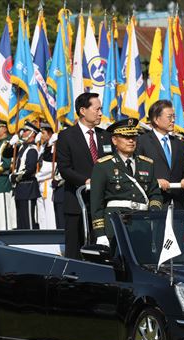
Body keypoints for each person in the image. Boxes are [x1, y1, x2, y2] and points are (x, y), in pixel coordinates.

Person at [90, 119, 163, 247]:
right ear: (114, 140)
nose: (131, 140)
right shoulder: (103, 166)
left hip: (142, 225)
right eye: (126, 137)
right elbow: (96, 203)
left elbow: (155, 194)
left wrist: (153, 212)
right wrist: (100, 233)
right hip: (115, 224)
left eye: (133, 137)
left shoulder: (147, 164)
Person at [57, 92, 112, 258]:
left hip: (102, 205)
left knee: (101, 250)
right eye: (97, 109)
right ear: (82, 110)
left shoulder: (105, 136)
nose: (100, 113)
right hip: (77, 202)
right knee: (75, 250)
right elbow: (65, 169)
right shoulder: (66, 136)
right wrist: (87, 181)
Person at [136, 100, 184, 209]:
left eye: (174, 116)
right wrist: (155, 181)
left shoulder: (179, 143)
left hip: (177, 202)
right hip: (154, 201)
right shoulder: (142, 142)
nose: (173, 120)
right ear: (156, 119)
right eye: (169, 117)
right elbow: (136, 169)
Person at [11, 123, 41, 229]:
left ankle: (31, 242)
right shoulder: (22, 148)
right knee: (21, 219)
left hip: (28, 188)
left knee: (28, 220)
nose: (23, 133)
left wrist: (17, 177)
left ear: (33, 134)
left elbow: (30, 169)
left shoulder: (32, 149)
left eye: (26, 131)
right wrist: (10, 145)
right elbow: (8, 155)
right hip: (20, 189)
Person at [35, 123, 57, 230]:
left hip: (48, 183)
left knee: (49, 210)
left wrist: (38, 176)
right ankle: (43, 230)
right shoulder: (44, 146)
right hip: (41, 183)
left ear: (50, 134)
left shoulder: (54, 146)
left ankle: (51, 231)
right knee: (41, 211)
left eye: (43, 133)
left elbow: (52, 167)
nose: (41, 135)